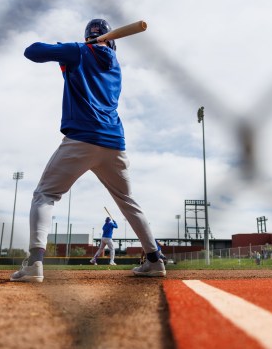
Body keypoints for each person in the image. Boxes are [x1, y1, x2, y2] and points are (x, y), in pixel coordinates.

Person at [10, 19, 166, 282]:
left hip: (82, 139)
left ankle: (34, 262)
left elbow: (32, 51)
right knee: (127, 201)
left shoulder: (78, 51)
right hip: (115, 143)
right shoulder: (115, 65)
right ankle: (154, 259)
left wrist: (73, 47)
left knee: (45, 194)